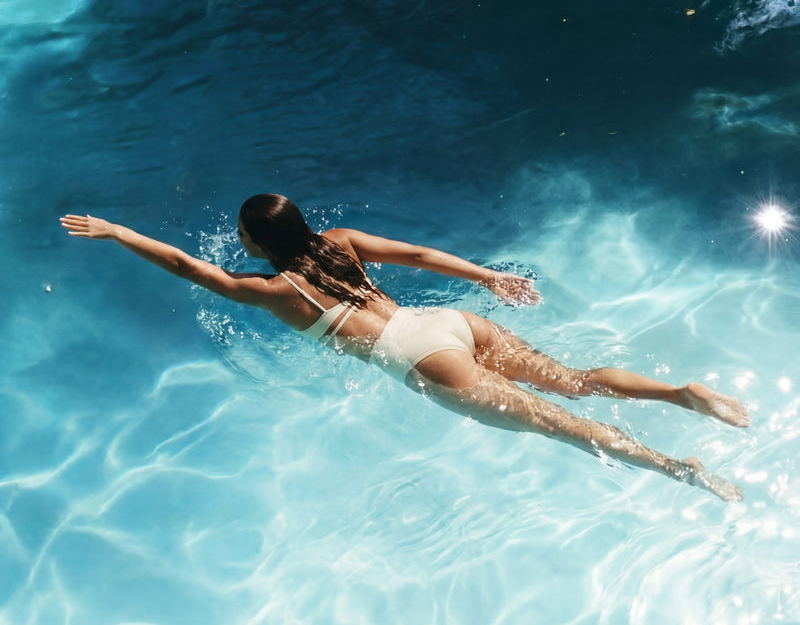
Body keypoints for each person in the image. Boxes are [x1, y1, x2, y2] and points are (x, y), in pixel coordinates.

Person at [60, 194, 749, 501]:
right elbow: (417, 253)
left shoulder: (275, 291)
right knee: (573, 381)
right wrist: (488, 276)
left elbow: (191, 269)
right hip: (448, 322)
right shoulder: (342, 243)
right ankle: (680, 393)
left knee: (562, 426)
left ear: (255, 244)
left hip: (423, 361)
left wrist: (119, 232)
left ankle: (682, 469)